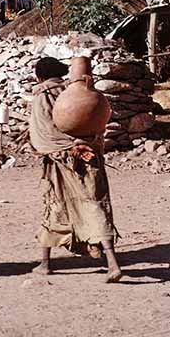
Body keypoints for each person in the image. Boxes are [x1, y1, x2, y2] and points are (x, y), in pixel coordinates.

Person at [28, 56, 122, 282]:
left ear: (40, 76)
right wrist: (83, 145)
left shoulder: (42, 96)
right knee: (95, 205)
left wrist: (64, 147)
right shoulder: (81, 93)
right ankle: (112, 264)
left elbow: (43, 133)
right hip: (88, 158)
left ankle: (45, 264)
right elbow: (99, 126)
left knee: (54, 207)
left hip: (59, 163)